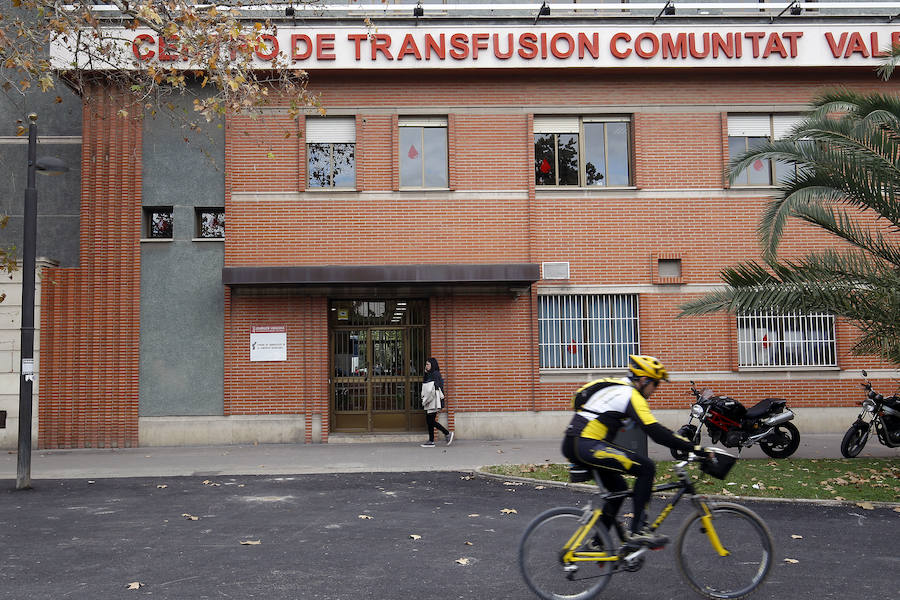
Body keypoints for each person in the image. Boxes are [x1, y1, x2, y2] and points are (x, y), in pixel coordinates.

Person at [561, 354, 707, 547]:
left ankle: (597, 543)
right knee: (646, 467)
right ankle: (638, 530)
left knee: (619, 489)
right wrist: (692, 448)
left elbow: (576, 401)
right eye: (655, 384)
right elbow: (655, 432)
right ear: (644, 380)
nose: (655, 390)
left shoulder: (617, 387)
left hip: (579, 443)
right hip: (586, 444)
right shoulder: (631, 395)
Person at [421, 357, 453, 447]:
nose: (426, 366)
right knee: (429, 420)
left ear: (432, 365)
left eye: (428, 364)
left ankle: (447, 433)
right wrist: (426, 374)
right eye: (426, 364)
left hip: (434, 401)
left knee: (431, 421)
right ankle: (431, 441)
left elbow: (435, 387)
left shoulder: (435, 374)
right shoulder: (430, 374)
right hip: (430, 400)